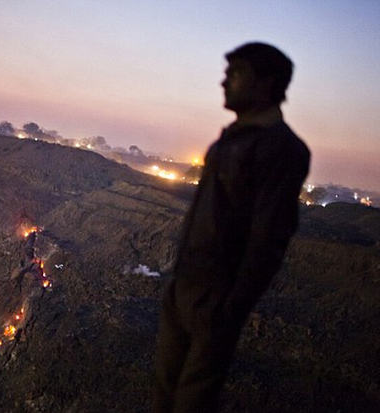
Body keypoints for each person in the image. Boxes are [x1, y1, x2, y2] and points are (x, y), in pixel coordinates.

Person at [153, 42, 310, 413]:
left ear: (267, 84)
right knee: (165, 394)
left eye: (236, 72)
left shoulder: (281, 149)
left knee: (192, 401)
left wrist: (229, 307)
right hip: (186, 287)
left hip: (215, 297)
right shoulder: (229, 141)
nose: (224, 80)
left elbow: (269, 239)